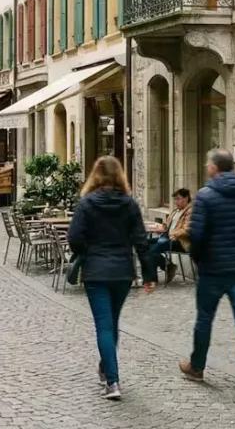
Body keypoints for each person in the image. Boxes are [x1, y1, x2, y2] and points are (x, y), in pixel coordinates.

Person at [67, 156, 157, 401]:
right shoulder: (129, 205)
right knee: (112, 323)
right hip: (121, 273)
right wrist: (149, 275)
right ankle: (107, 368)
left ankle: (112, 381)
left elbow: (74, 237)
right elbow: (141, 241)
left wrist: (86, 251)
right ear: (119, 175)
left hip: (96, 271)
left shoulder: (87, 204)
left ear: (95, 175)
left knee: (104, 325)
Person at [179, 149, 235, 397]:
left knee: (205, 319)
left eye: (208, 164)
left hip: (213, 270)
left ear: (214, 168)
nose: (207, 167)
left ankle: (197, 367)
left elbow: (196, 235)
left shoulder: (206, 197)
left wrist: (200, 258)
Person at [148, 188, 193, 283]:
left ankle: (153, 279)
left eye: (178, 199)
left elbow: (186, 230)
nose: (176, 201)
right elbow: (167, 225)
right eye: (175, 199)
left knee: (152, 250)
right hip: (168, 238)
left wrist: (171, 233)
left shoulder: (190, 211)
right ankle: (168, 266)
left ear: (186, 198)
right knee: (144, 244)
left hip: (180, 242)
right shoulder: (176, 211)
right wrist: (158, 228)